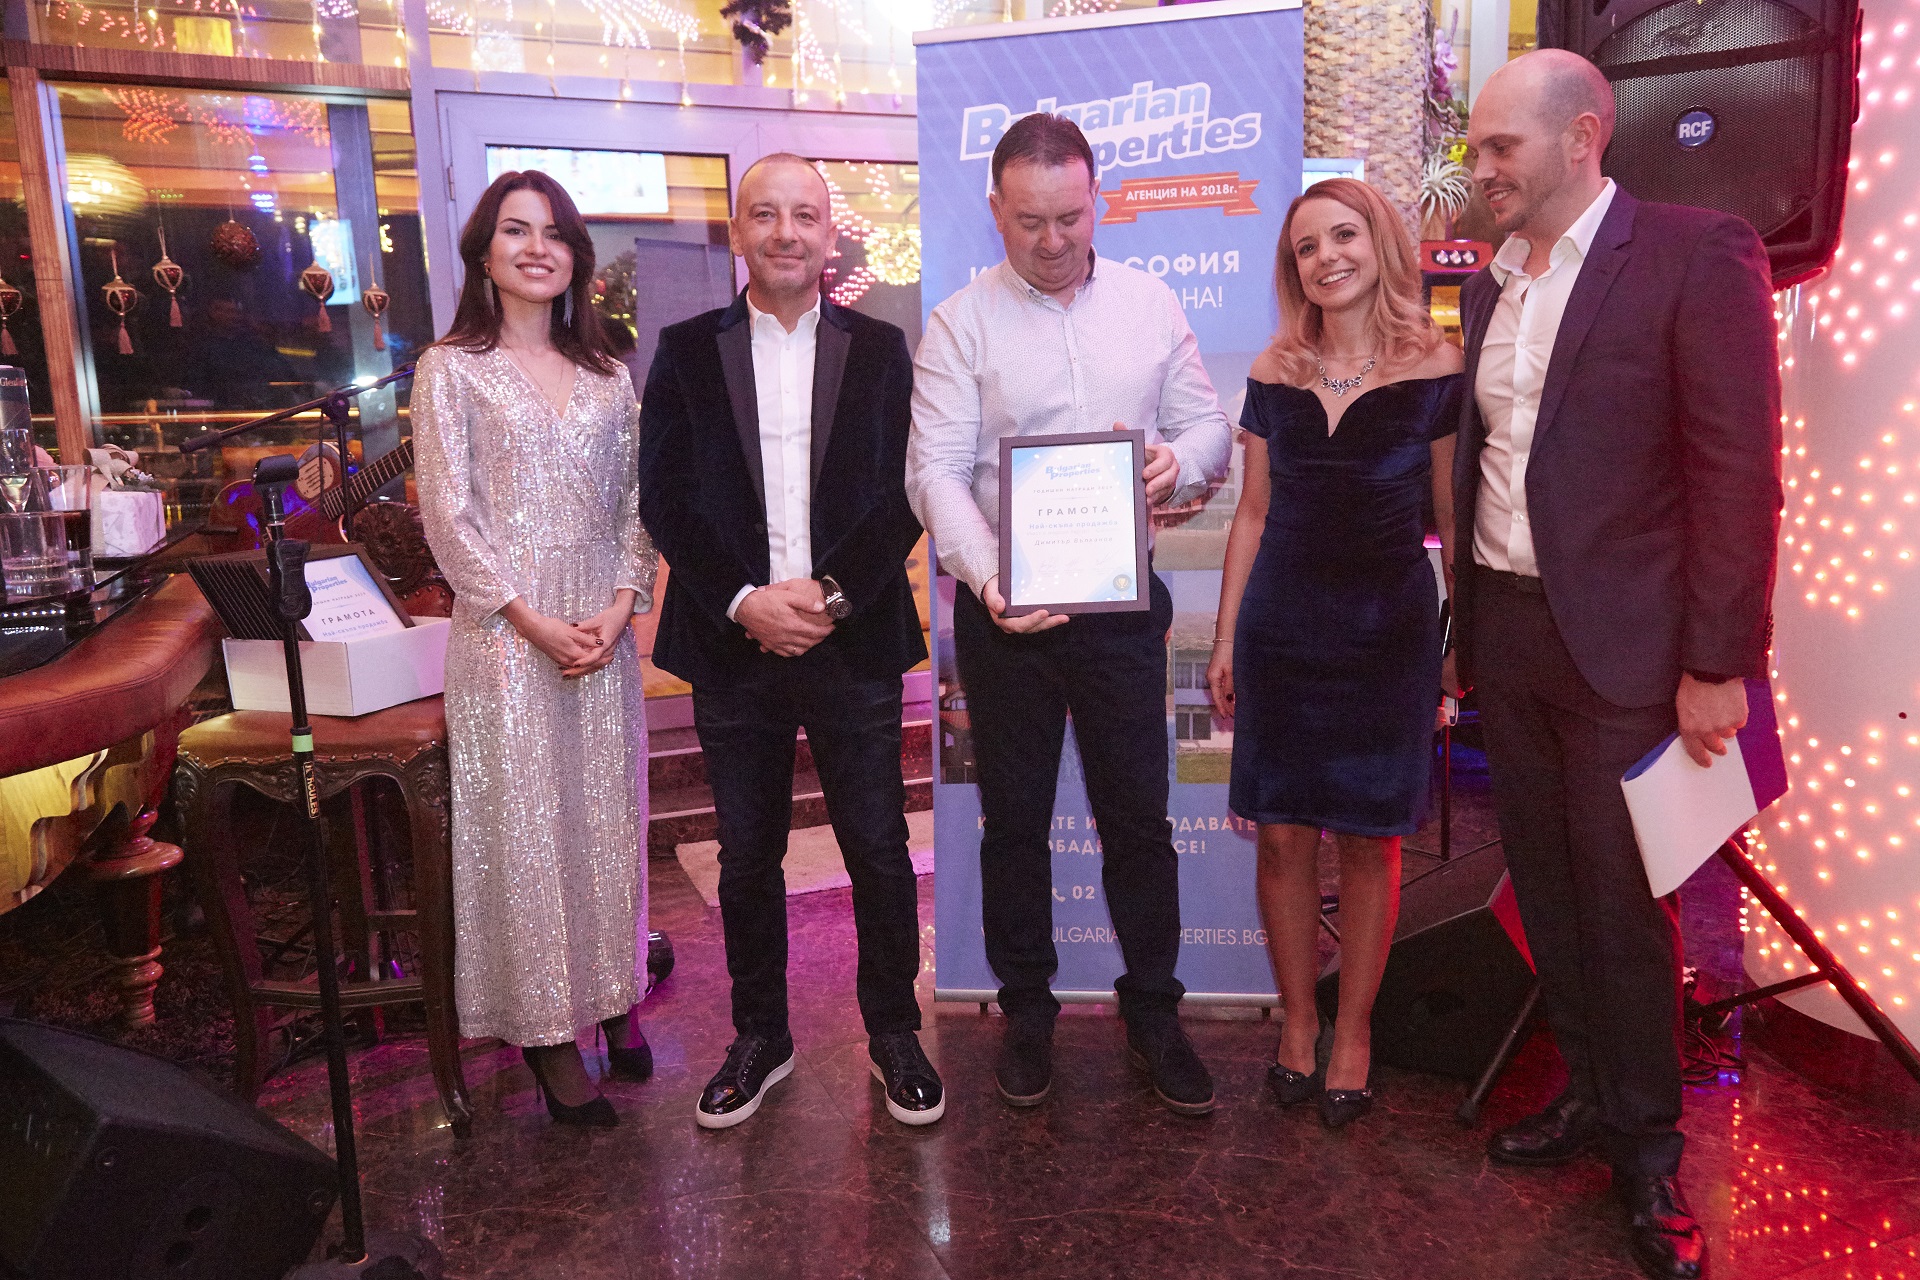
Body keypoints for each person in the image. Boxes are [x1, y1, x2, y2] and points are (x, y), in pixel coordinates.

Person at [1454, 51, 1781, 1280]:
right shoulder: (1490, 284)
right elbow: (1493, 461)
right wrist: (1466, 639)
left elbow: (1737, 470)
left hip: (1631, 648)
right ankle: (1590, 1092)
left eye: (1501, 148)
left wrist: (1717, 659)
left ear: (1583, 136)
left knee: (1625, 907)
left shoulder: (1695, 253)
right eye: (1476, 150)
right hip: (1511, 634)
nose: (1481, 169)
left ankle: (1649, 1151)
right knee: (1548, 889)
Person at [906, 113, 1232, 1116]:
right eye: (1029, 221)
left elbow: (1207, 422)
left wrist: (1182, 460)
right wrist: (987, 576)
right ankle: (1028, 1012)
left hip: (1122, 614)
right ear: (996, 210)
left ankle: (1154, 1011)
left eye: (1070, 218)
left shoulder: (1149, 303)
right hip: (1005, 617)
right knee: (1013, 824)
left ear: (1100, 203)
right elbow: (936, 470)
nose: (1052, 241)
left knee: (1139, 820)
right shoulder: (961, 322)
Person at [638, 154, 940, 1130]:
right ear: (737, 233)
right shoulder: (686, 351)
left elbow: (908, 488)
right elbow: (664, 496)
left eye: (804, 215)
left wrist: (832, 593)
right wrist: (742, 601)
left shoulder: (883, 350)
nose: (785, 232)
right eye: (764, 214)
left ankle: (895, 1030)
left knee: (879, 848)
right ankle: (760, 1036)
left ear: (829, 236)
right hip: (734, 644)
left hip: (853, 639)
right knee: (746, 857)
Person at [1205, 178, 1462, 1129]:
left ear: (1379, 243)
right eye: (1306, 247)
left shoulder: (1437, 365)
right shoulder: (1274, 370)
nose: (1327, 258)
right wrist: (1225, 637)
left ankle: (1353, 1033)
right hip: (1282, 630)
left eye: (1343, 235)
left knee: (1367, 838)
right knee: (1279, 833)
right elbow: (1252, 514)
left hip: (1387, 634)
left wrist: (1459, 642)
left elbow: (1453, 520)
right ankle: (1299, 1022)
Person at [413, 169, 658, 1129]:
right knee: (525, 834)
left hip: (600, 630)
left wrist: (622, 605)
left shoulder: (609, 376)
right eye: (516, 231)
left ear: (576, 258)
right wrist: (526, 616)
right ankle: (548, 1035)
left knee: (605, 821)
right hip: (505, 638)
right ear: (484, 252)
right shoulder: (451, 369)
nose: (537, 248)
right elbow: (448, 515)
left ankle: (616, 997)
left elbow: (637, 503)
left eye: (554, 233)